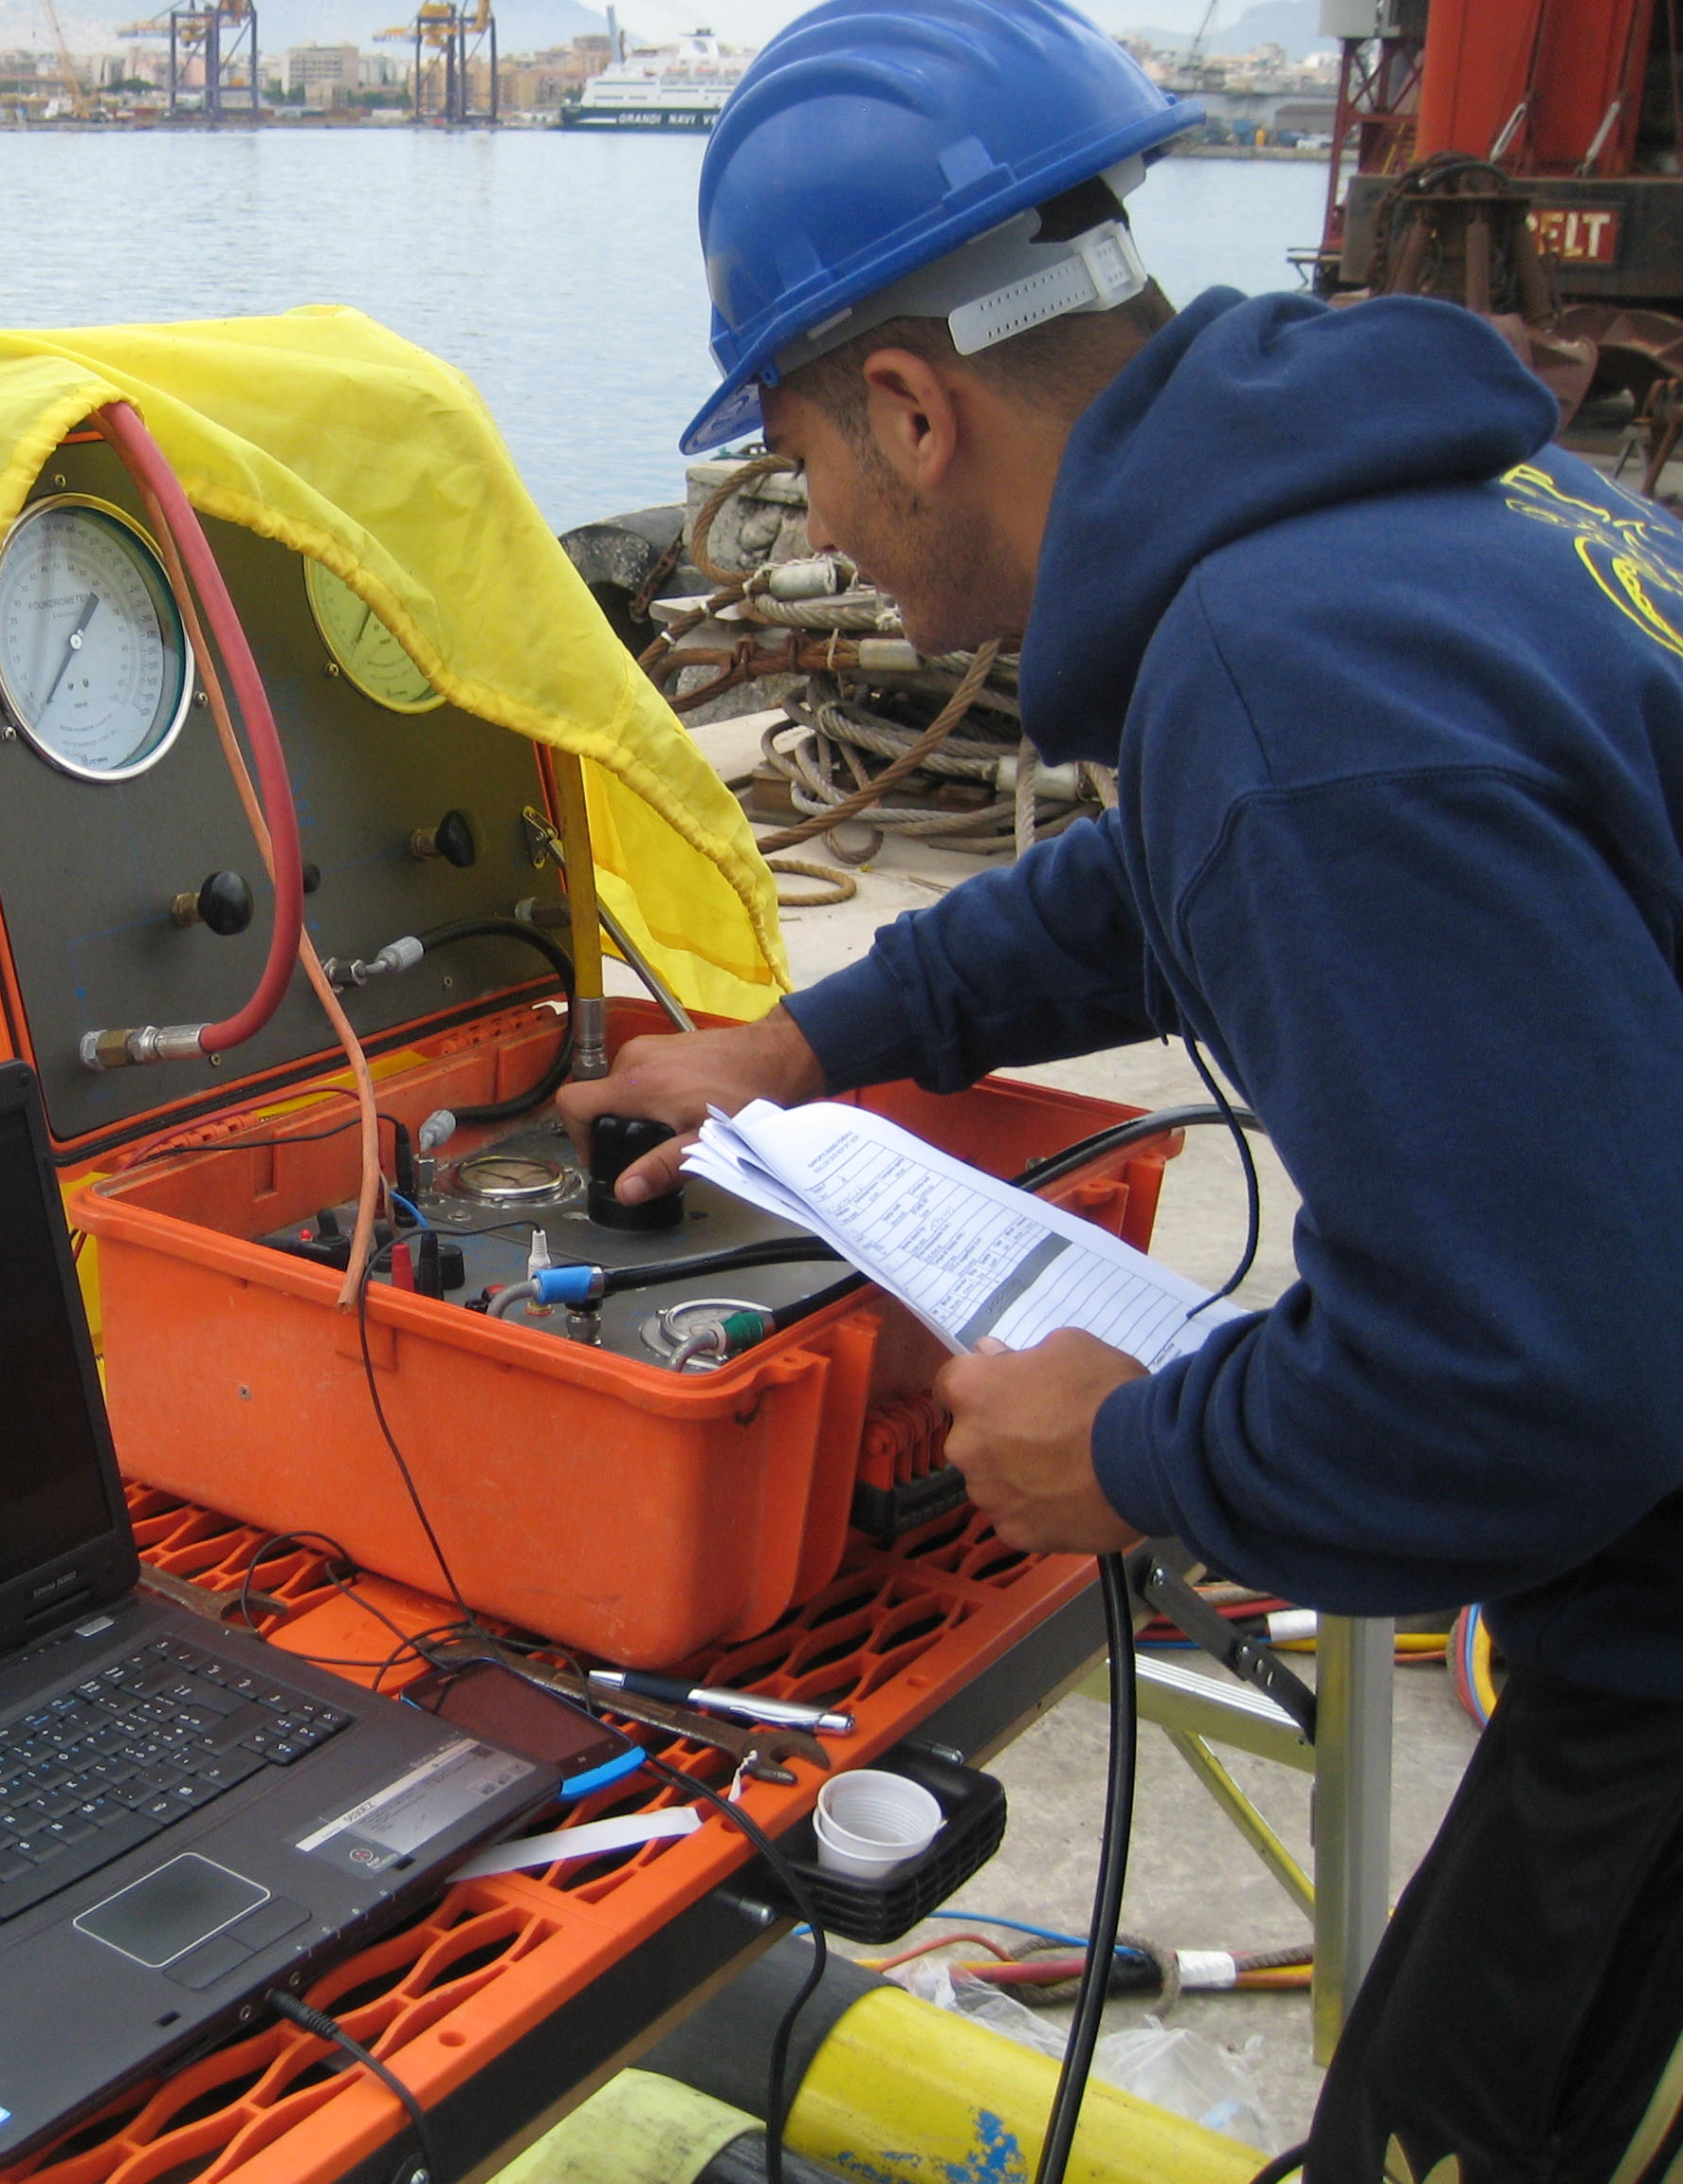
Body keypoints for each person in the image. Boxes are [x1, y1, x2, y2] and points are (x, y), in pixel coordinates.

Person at [556, 3, 1683, 2177]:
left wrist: (1137, 1452)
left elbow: (1542, 1386)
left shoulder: (1286, 675)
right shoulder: (1426, 528)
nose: (820, 527)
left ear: (913, 410)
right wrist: (802, 1046)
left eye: (799, 463)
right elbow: (1158, 877)